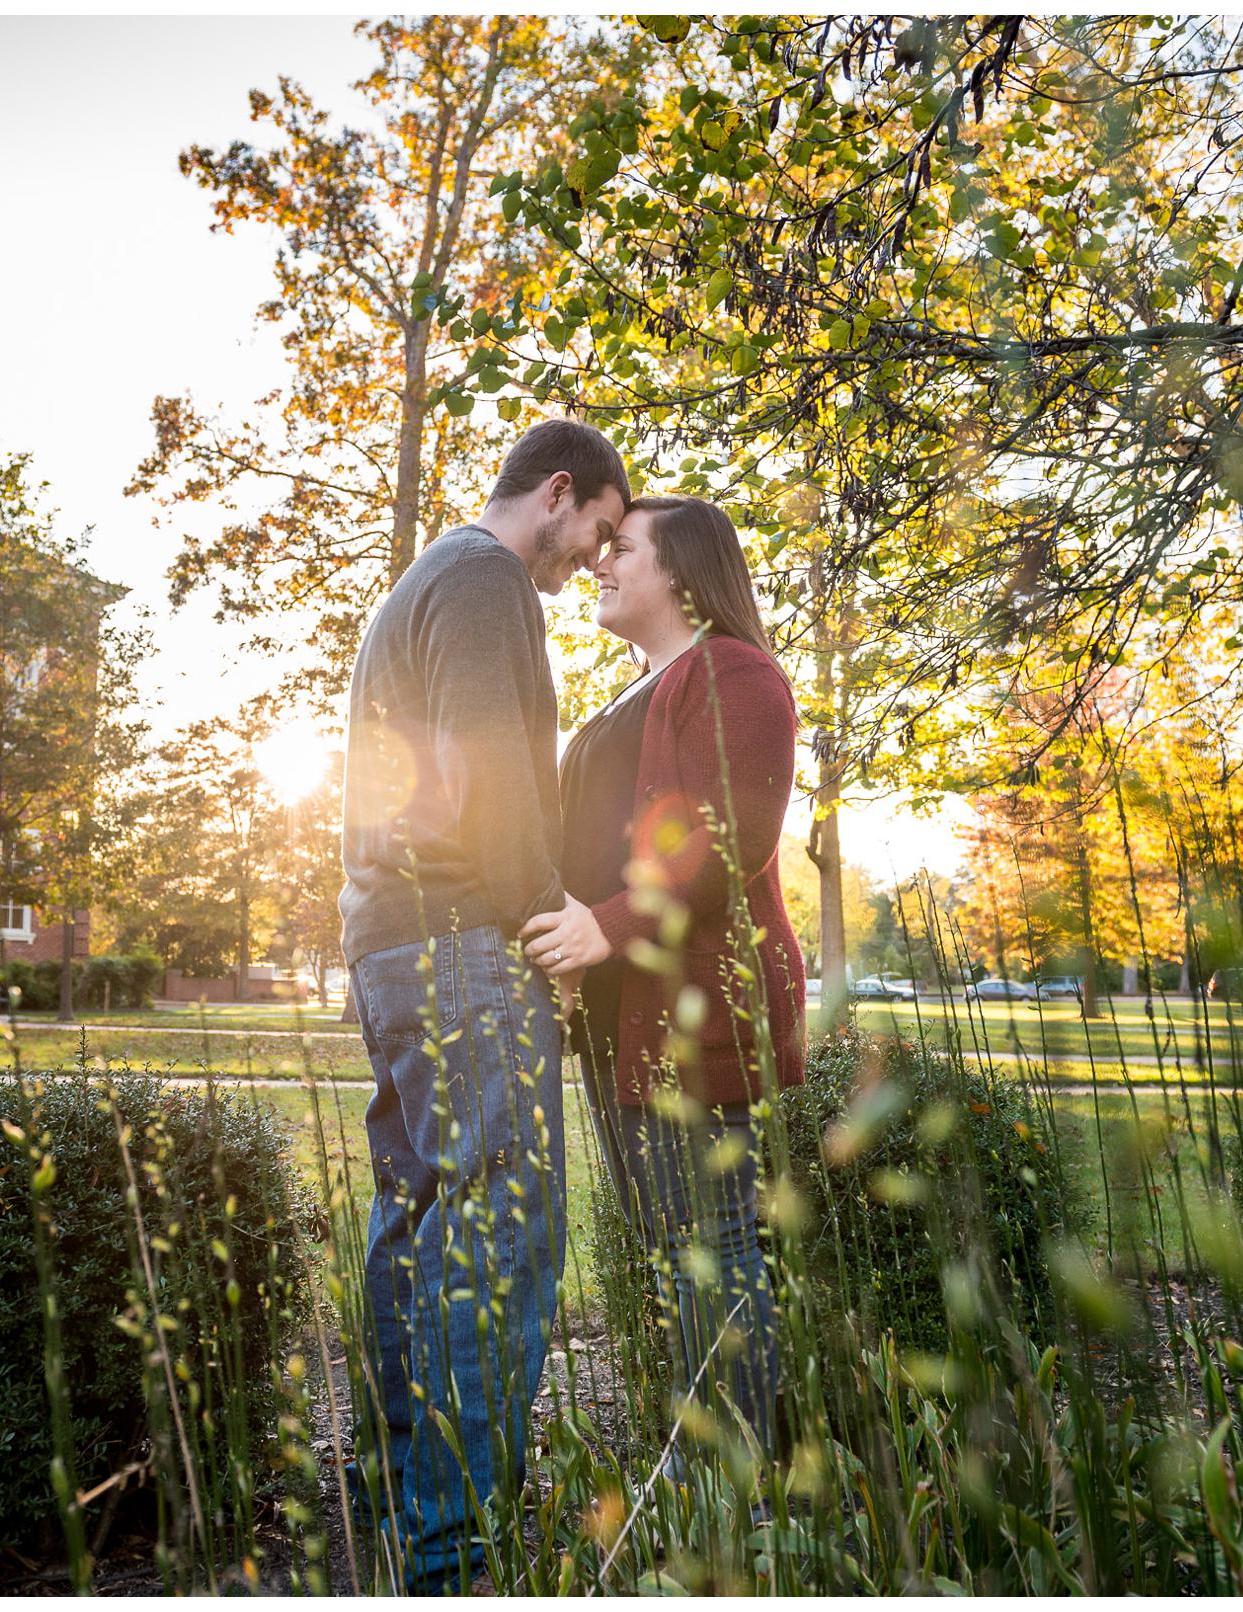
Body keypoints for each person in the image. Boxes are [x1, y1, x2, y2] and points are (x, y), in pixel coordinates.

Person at [338, 417, 632, 1591]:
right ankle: (459, 1552)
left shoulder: (431, 575)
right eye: (598, 531)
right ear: (557, 493)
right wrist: (554, 919)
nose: (592, 562)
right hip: (462, 936)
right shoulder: (484, 577)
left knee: (415, 1216)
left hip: (393, 937)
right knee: (505, 1235)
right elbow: (486, 777)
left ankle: (399, 1503)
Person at [518, 494, 806, 1479]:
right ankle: (711, 1458)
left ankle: (733, 1484)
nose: (601, 560)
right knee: (672, 1248)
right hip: (616, 1025)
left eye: (623, 547)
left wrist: (602, 924)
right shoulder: (630, 693)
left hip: (693, 1018)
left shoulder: (737, 675)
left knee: (713, 1248)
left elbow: (729, 838)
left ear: (683, 572)